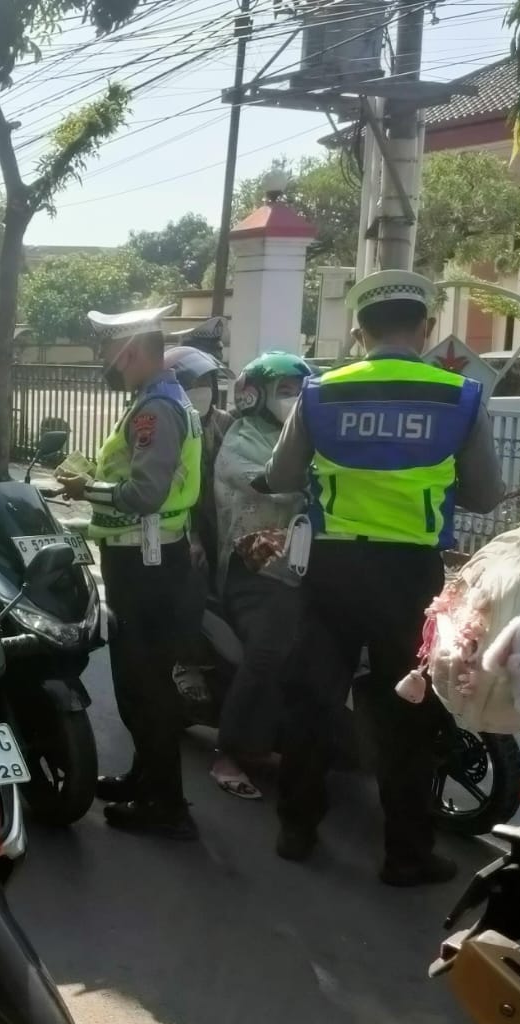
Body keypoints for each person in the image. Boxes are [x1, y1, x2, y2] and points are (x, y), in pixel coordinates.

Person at [261, 269, 505, 886]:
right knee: (409, 711)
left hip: (332, 569)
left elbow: (282, 476)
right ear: (425, 328)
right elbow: (485, 494)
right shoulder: (459, 396)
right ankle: (406, 855)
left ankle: (297, 830)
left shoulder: (320, 393)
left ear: (360, 330)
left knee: (313, 699)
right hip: (410, 577)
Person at [57, 304, 202, 840]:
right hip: (151, 556)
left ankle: (166, 804)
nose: (106, 363)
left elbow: (144, 493)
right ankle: (146, 778)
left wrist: (86, 489)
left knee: (143, 687)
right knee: (145, 680)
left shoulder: (156, 410)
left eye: (108, 352)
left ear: (132, 352)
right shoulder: (161, 400)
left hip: (145, 562)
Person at [208, 352, 313, 800]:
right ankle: (229, 751)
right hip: (253, 566)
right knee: (269, 647)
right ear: (257, 396)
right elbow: (263, 482)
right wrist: (313, 479)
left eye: (300, 391)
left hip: (307, 562)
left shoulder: (314, 436)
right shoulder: (242, 437)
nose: (294, 399)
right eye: (284, 391)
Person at [162, 343, 232, 706]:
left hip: (226, 520)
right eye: (194, 384)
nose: (203, 391)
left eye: (208, 383)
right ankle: (185, 661)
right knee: (193, 578)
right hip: (185, 524)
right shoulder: (170, 424)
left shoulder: (226, 423)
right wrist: (193, 537)